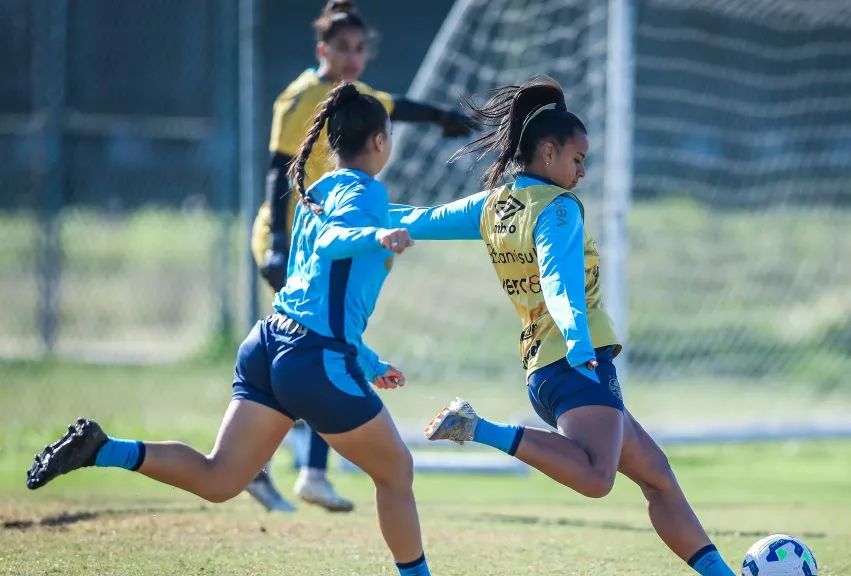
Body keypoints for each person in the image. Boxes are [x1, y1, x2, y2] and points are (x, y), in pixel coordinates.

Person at [27, 82, 435, 576]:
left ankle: (103, 448)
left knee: (219, 478)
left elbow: (315, 293)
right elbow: (334, 242)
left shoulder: (321, 188)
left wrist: (367, 362)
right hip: (311, 358)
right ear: (380, 141)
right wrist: (378, 234)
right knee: (396, 472)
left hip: (270, 342)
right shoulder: (366, 192)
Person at [389, 75, 737, 576]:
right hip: (576, 362)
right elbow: (557, 282)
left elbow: (420, 219)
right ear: (548, 152)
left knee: (657, 477)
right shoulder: (557, 209)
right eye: (577, 159)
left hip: (544, 368)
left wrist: (357, 218)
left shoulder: (493, 205)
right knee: (597, 478)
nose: (582, 171)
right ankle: (478, 427)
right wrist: (577, 340)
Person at [246, 0, 474, 513]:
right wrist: (279, 244)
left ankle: (279, 466)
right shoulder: (299, 99)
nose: (352, 57)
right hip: (293, 237)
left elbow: (397, 106)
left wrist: (442, 117)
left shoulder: (356, 99)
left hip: (326, 236)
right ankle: (290, 469)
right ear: (322, 50)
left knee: (312, 345)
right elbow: (278, 169)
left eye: (359, 49)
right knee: (317, 343)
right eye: (342, 48)